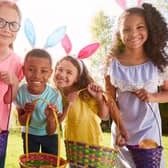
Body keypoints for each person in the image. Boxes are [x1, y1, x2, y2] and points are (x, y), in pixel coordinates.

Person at [104, 2, 168, 168]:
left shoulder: (157, 63)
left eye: (140, 27)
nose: (134, 33)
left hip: (149, 130)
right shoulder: (113, 64)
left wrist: (153, 96)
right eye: (126, 29)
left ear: (149, 30)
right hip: (122, 130)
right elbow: (110, 99)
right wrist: (120, 127)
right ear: (119, 33)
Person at [54, 55, 128, 146]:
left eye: (69, 72)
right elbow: (56, 121)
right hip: (71, 144)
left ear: (77, 78)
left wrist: (99, 98)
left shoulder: (86, 93)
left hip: (92, 144)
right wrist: (68, 103)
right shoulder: (56, 95)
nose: (62, 74)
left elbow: (105, 116)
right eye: (60, 69)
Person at [15, 49, 62, 156]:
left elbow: (51, 131)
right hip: (29, 134)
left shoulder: (54, 95)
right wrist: (27, 113)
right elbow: (22, 122)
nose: (36, 75)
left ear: (50, 73)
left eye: (43, 71)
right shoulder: (20, 91)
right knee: (30, 162)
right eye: (31, 69)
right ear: (23, 70)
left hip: (49, 135)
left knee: (50, 164)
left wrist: (50, 118)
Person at [0, 1, 23, 168]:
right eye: (1, 22)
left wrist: (14, 82)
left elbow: (9, 100)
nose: (7, 28)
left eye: (13, 24)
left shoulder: (17, 62)